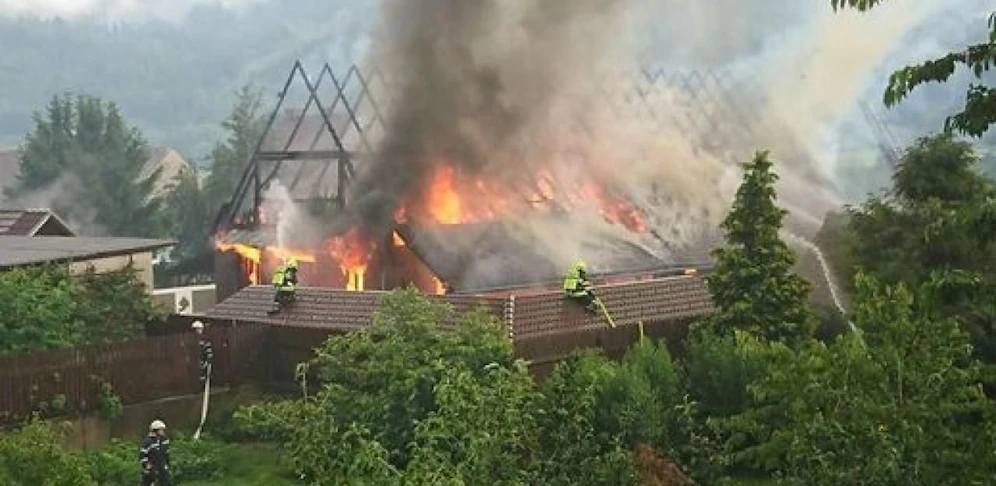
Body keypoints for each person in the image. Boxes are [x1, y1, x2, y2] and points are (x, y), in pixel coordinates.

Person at [140, 419, 172, 486]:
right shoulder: (148, 441)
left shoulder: (165, 440)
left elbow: (166, 454)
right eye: (161, 430)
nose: (163, 431)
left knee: (166, 481)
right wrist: (146, 465)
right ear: (155, 430)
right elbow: (142, 455)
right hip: (152, 468)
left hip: (162, 466)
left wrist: (168, 465)